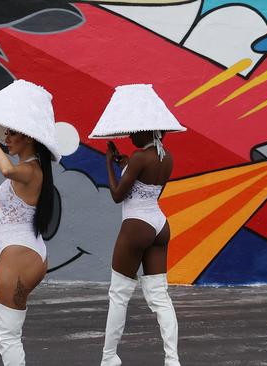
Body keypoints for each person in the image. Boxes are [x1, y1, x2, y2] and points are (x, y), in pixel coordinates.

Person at [89, 84, 187, 366]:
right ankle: (172, 359)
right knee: (159, 295)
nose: (130, 135)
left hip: (136, 226)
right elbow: (149, 187)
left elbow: (118, 195)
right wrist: (125, 163)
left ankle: (109, 358)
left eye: (134, 130)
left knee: (119, 294)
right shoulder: (165, 157)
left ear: (147, 130)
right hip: (159, 224)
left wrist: (109, 163)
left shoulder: (138, 157)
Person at [0, 120, 55, 366]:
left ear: (29, 138)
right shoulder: (29, 170)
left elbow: (7, 171)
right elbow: (21, 204)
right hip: (21, 255)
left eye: (11, 134)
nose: (6, 139)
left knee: (9, 334)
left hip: (20, 258)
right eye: (4, 134)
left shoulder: (31, 170)